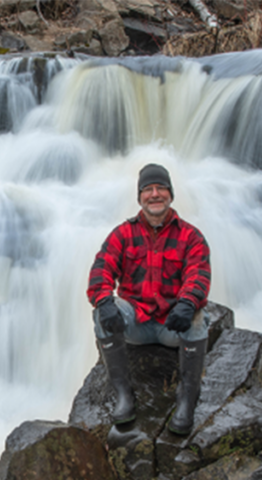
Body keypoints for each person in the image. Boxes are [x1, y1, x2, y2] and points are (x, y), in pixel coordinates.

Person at [86, 163, 211, 435]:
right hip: (136, 324)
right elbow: (101, 269)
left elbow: (199, 274)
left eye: (161, 188)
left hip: (171, 326)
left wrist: (187, 303)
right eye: (148, 189)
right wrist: (104, 300)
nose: (155, 194)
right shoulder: (123, 234)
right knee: (101, 310)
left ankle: (187, 398)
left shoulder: (191, 236)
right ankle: (124, 394)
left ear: (171, 194)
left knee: (199, 315)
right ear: (140, 197)